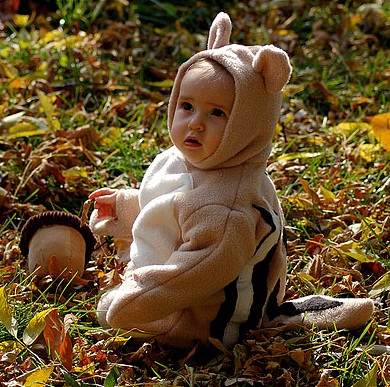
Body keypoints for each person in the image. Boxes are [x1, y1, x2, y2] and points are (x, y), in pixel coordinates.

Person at [88, 12, 374, 348]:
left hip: (209, 314)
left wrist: (139, 295)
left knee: (108, 309)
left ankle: (262, 320)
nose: (195, 123)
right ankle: (281, 313)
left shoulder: (227, 206)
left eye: (217, 113)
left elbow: (198, 272)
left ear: (248, 123)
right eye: (187, 106)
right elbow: (172, 203)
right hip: (180, 286)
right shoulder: (198, 158)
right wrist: (127, 205)